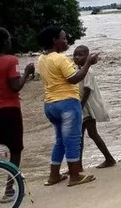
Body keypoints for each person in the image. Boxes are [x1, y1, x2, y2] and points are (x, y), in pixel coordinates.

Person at [37, 26, 98, 187]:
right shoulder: (60, 59)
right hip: (67, 103)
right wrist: (88, 63)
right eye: (63, 38)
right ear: (54, 41)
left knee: (60, 141)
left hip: (50, 104)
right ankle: (75, 175)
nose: (66, 41)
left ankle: (54, 175)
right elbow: (74, 78)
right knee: (72, 140)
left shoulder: (41, 59)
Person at [0, 28, 34, 199]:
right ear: (5, 42)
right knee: (15, 149)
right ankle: (9, 190)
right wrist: (27, 74)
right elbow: (15, 86)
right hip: (9, 111)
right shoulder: (11, 60)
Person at [73, 45, 116, 168]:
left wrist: (79, 107)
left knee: (86, 134)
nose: (76, 57)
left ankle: (108, 159)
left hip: (87, 107)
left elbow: (87, 90)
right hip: (83, 107)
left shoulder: (88, 71)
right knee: (85, 135)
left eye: (80, 55)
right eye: (75, 54)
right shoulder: (78, 69)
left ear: (88, 57)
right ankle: (79, 164)